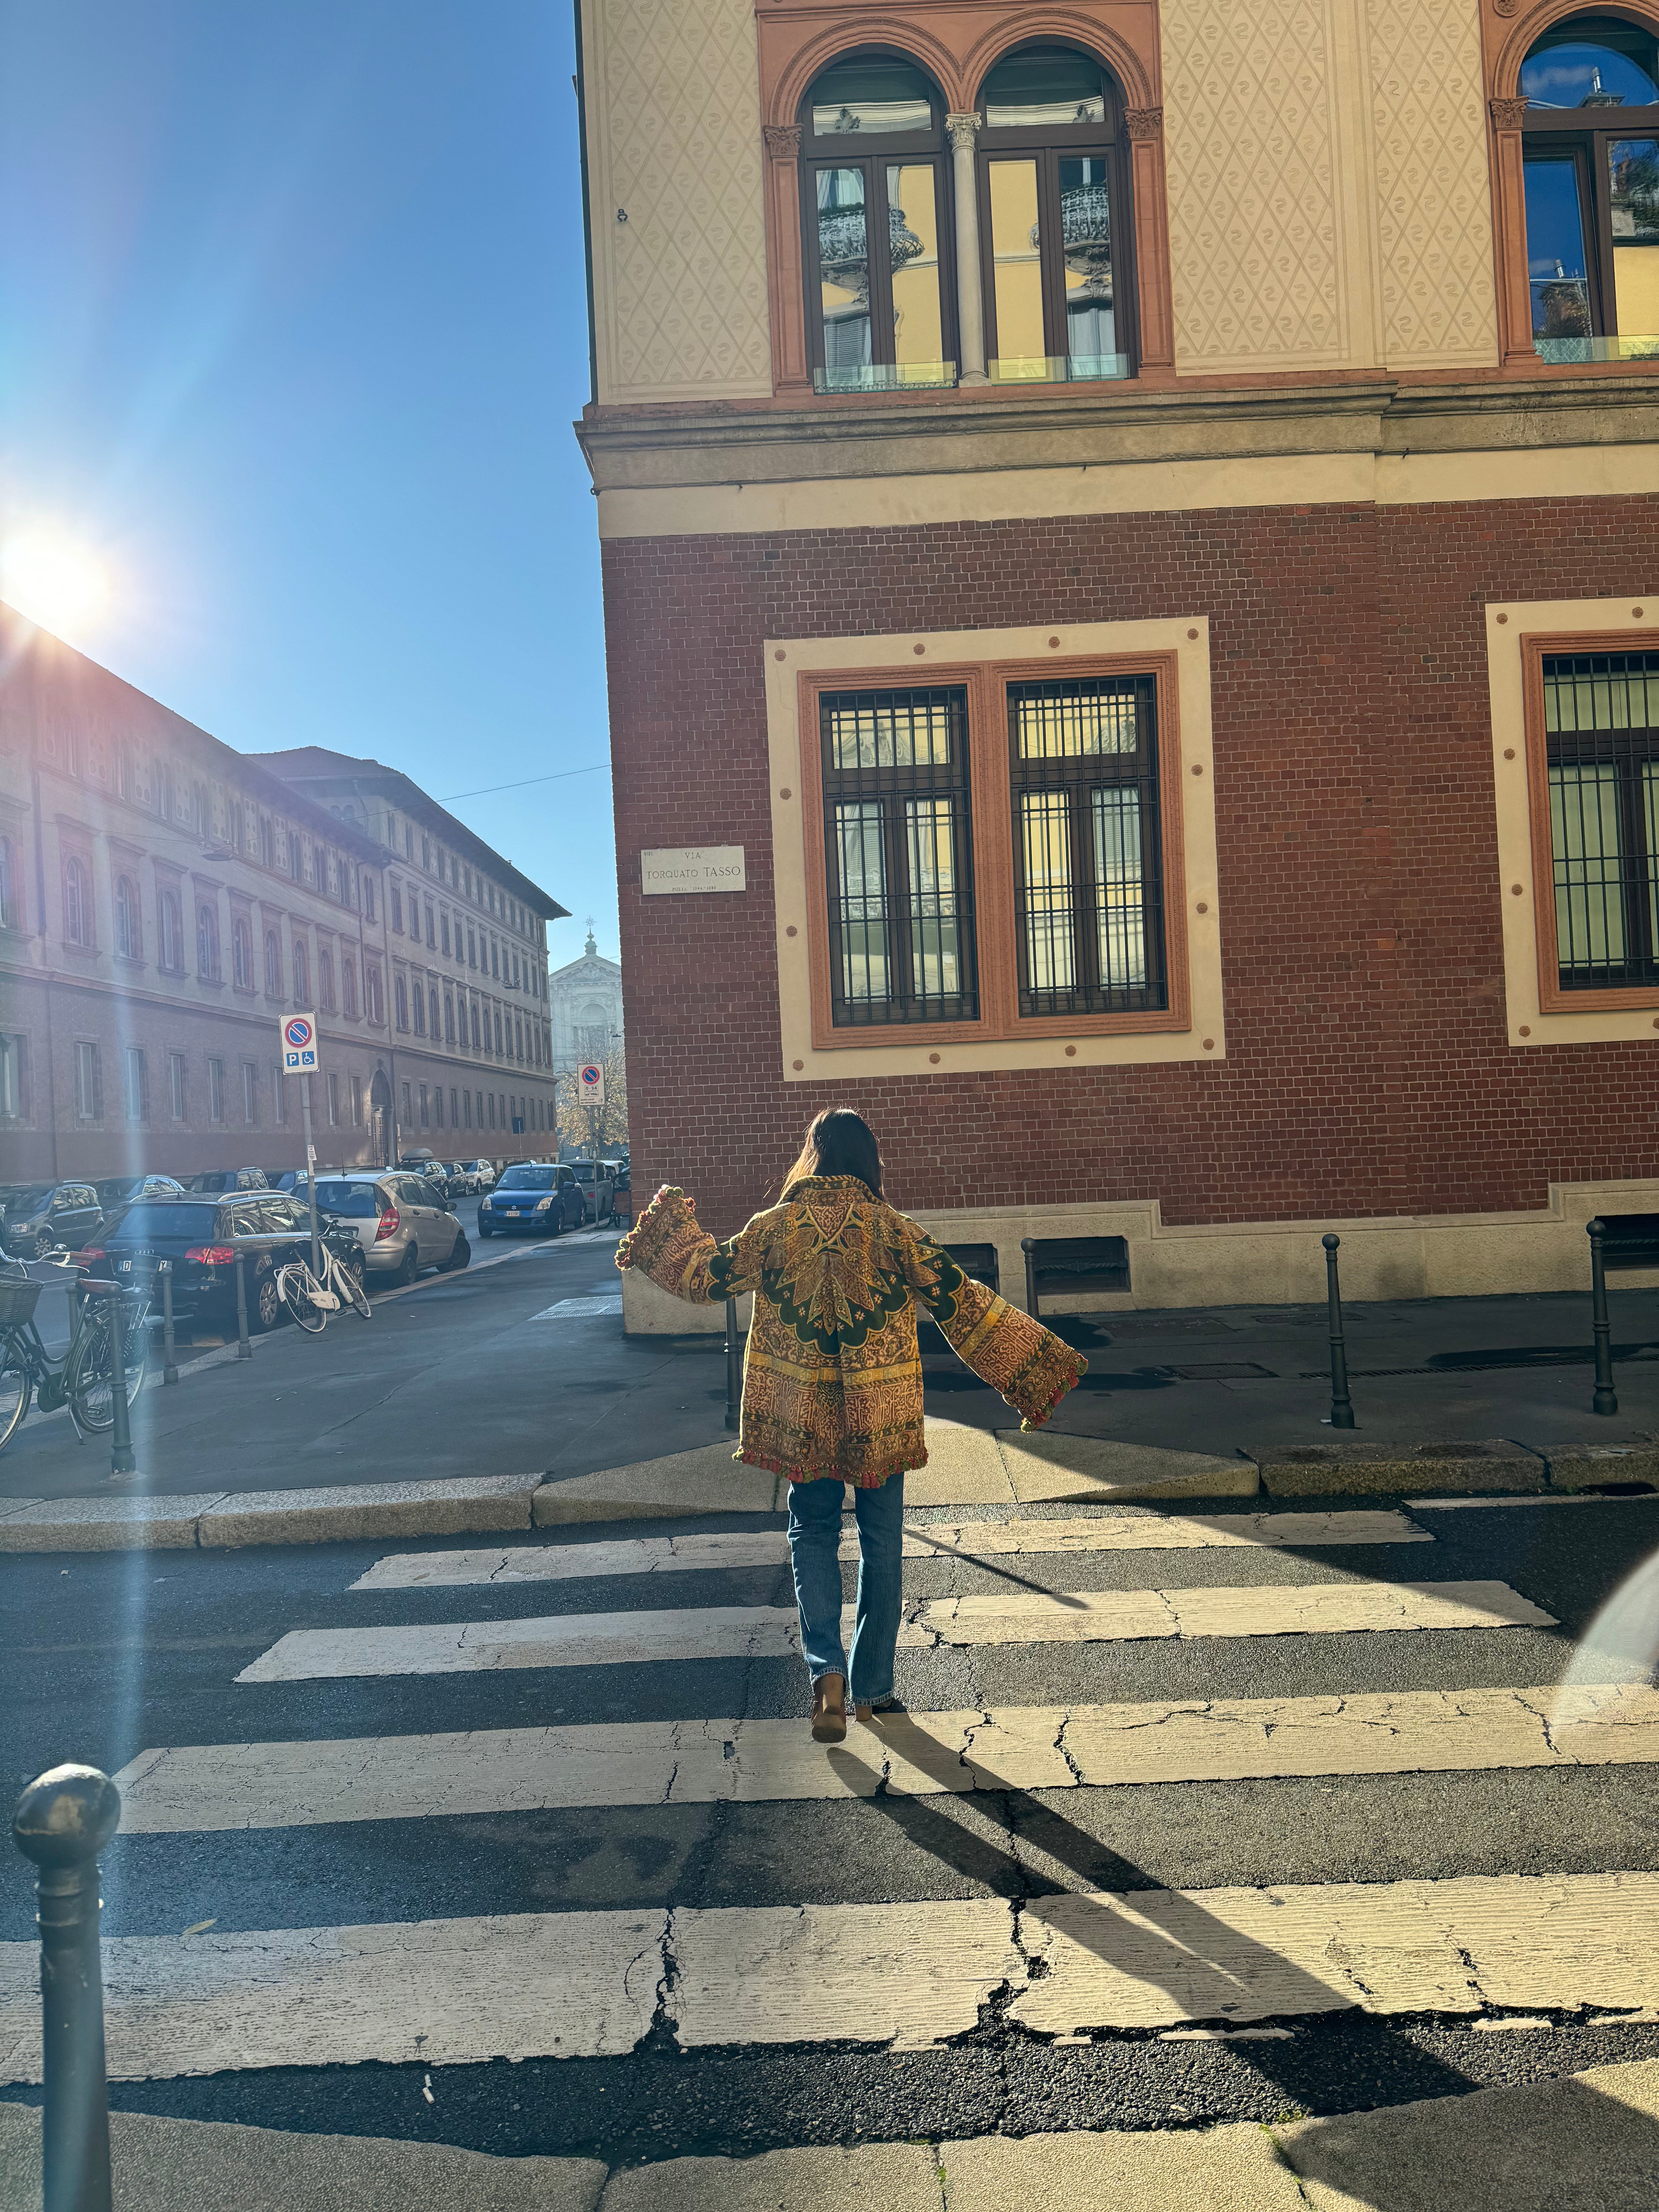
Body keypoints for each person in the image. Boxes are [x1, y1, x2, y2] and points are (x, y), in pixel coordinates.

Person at [615, 1109, 1086, 1745]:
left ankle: (826, 1676)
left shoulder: (774, 1227)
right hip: (880, 1416)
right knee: (881, 1543)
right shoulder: (893, 1230)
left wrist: (667, 1228)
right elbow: (961, 1300)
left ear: (811, 1158)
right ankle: (875, 1687)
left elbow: (709, 1280)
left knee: (810, 1533)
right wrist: (1034, 1366)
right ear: (870, 1162)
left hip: (800, 1415)